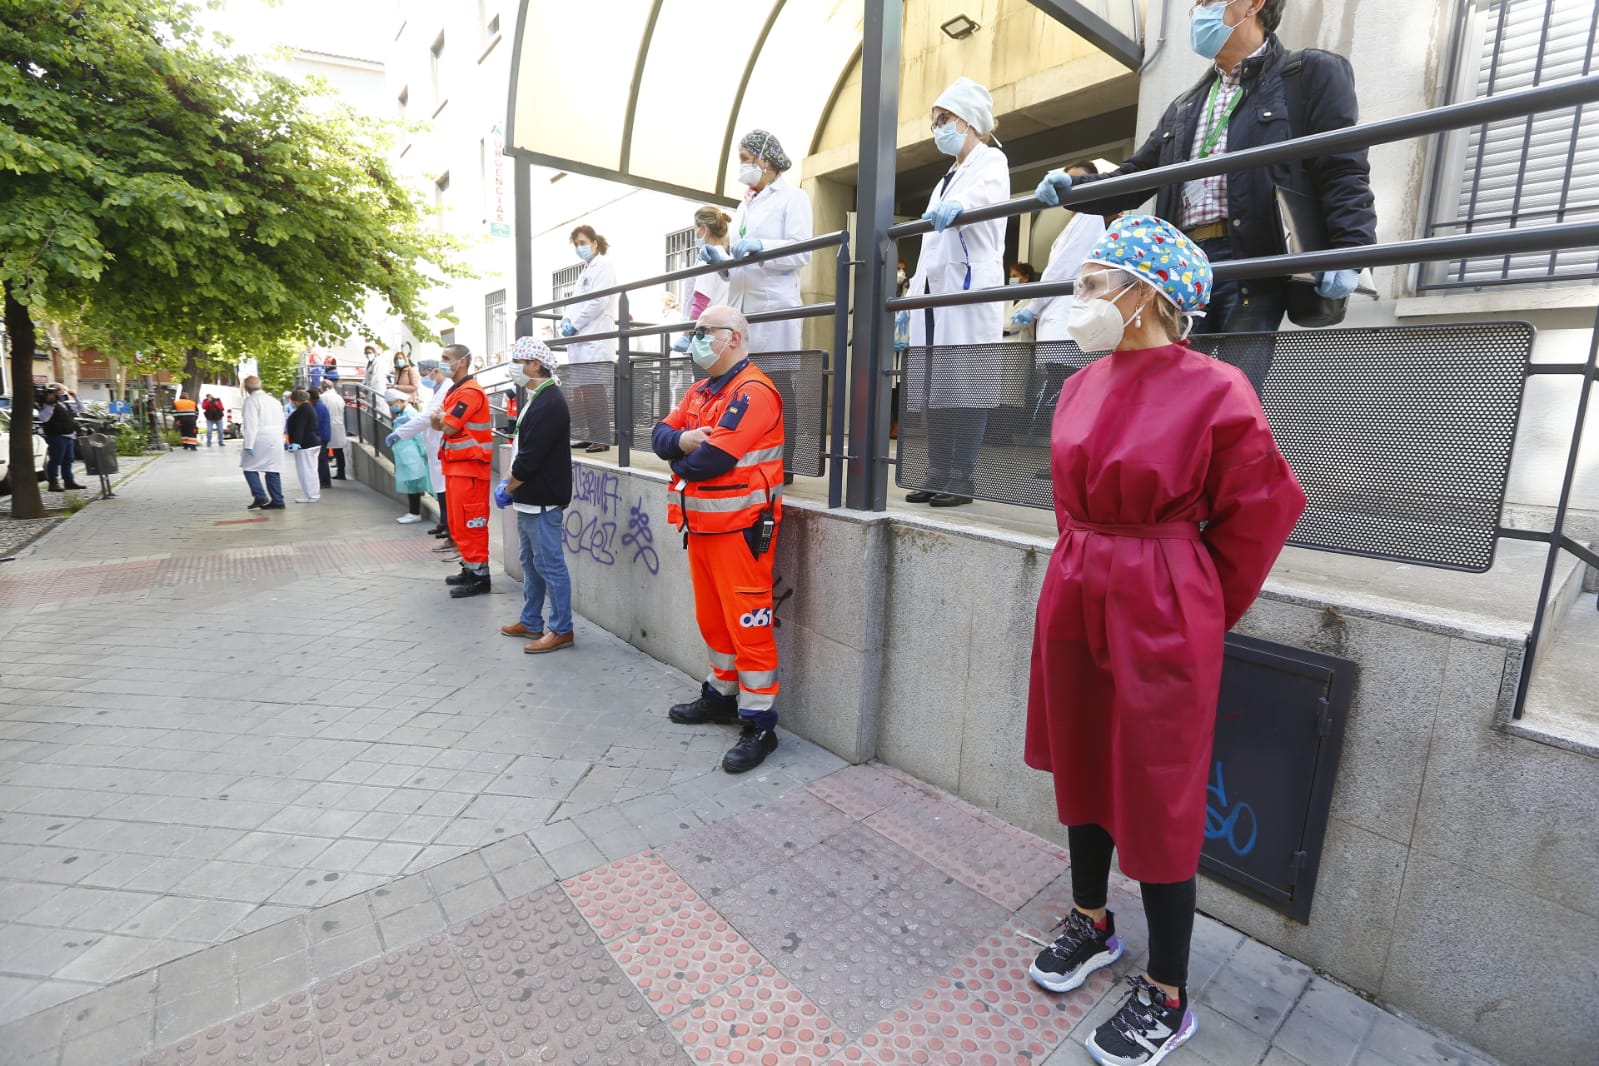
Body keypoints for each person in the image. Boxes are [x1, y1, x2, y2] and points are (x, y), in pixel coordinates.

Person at [1023, 216, 1306, 1066]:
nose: (1079, 298)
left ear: (1142, 295)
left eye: (1092, 282)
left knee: (1156, 783)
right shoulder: (1080, 384)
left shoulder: (1217, 389)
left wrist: (1198, 601)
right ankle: (1095, 920)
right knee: (1081, 755)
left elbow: (1262, 509)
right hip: (1077, 587)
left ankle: (1169, 992)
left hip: (1162, 599)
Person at [1035, 0, 1375, 342]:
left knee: (1234, 383)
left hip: (1252, 262)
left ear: (1253, 5)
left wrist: (1350, 250)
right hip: (1181, 266)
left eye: (1207, 2)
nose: (1197, 12)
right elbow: (1136, 176)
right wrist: (1075, 188)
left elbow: (1342, 168)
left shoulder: (1307, 73)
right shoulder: (1187, 105)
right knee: (1175, 385)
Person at [652, 306, 785, 774]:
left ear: (732, 337)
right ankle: (721, 696)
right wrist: (683, 443)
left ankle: (760, 724)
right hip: (704, 528)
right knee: (714, 623)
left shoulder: (753, 391)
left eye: (703, 332)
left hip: (742, 532)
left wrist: (682, 452)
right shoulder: (701, 390)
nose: (696, 339)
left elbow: (711, 461)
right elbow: (659, 435)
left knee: (749, 626)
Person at [897, 78, 1010, 509]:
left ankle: (962, 477)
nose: (938, 129)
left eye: (942, 120)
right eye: (935, 123)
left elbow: (987, 197)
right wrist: (913, 298)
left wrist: (961, 207)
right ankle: (938, 470)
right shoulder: (947, 176)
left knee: (966, 388)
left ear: (966, 120)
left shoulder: (990, 161)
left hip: (968, 291)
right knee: (937, 390)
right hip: (936, 296)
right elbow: (932, 243)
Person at [724, 129, 813, 482]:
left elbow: (801, 250)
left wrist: (760, 247)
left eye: (747, 159)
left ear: (766, 159)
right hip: (744, 307)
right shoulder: (744, 204)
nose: (743, 166)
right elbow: (740, 256)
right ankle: (751, 455)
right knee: (745, 387)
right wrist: (724, 262)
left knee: (776, 387)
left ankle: (784, 463)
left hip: (775, 306)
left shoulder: (793, 198)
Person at [1014, 162, 1108, 439]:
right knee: (1064, 392)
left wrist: (1032, 307)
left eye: (1076, 181)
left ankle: (1064, 461)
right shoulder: (1078, 219)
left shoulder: (1090, 217)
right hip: (1060, 318)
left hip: (1068, 320)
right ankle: (1062, 461)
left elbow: (1062, 269)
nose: (1069, 188)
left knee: (1064, 393)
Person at [495, 338, 576, 655]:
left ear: (534, 364)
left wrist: (509, 485)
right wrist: (511, 485)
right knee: (531, 563)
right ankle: (531, 620)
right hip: (530, 498)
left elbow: (531, 457)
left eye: (518, 359)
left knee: (550, 565)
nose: (513, 365)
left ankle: (561, 628)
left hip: (542, 500)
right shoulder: (537, 397)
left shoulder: (549, 401)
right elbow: (523, 450)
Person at [431, 343, 494, 598]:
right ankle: (470, 568)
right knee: (458, 524)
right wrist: (440, 421)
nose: (442, 363)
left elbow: (447, 425)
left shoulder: (470, 392)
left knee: (472, 523)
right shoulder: (456, 391)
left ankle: (480, 577)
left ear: (463, 362)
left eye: (447, 358)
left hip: (471, 469)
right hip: (458, 467)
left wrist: (440, 420)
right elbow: (440, 424)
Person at [557, 224, 617, 453]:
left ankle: (601, 437)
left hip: (594, 337)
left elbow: (598, 302)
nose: (580, 247)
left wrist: (576, 324)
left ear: (594, 242)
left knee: (594, 389)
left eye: (583, 243)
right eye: (577, 244)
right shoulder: (586, 269)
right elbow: (575, 302)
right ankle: (591, 434)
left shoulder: (604, 265)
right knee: (583, 390)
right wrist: (565, 320)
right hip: (582, 339)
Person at [396, 356, 451, 545]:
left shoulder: (446, 388)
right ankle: (445, 524)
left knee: (444, 491)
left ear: (435, 371)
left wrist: (401, 432)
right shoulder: (438, 389)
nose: (424, 378)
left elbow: (429, 417)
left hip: (443, 447)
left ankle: (449, 529)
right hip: (436, 447)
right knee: (440, 490)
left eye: (425, 374)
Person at [673, 206, 734, 354]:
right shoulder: (728, 258)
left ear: (704, 229)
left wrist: (686, 335)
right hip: (724, 332)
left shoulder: (707, 258)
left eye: (695, 229)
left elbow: (701, 300)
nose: (695, 234)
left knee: (703, 377)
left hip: (706, 335)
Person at [382, 389, 430, 524]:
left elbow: (419, 435)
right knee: (411, 484)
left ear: (399, 401)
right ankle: (413, 512)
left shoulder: (410, 413)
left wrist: (423, 452)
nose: (391, 406)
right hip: (406, 455)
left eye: (391, 403)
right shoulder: (404, 413)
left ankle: (414, 513)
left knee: (414, 484)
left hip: (412, 455)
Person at [239, 376, 286, 510]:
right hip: (276, 437)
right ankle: (277, 499)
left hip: (259, 437)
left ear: (247, 388)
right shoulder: (274, 401)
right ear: (261, 385)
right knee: (273, 468)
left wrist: (248, 444)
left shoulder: (251, 401)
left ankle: (259, 495)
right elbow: (282, 421)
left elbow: (250, 424)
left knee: (249, 467)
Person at [37, 385, 85, 491]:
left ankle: (69, 482)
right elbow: (44, 418)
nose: (63, 395)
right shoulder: (48, 405)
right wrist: (51, 404)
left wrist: (75, 397)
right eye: (61, 393)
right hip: (57, 436)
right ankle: (53, 483)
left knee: (68, 460)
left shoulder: (65, 405)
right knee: (56, 460)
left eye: (64, 393)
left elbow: (82, 409)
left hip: (69, 435)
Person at [284, 389, 322, 503]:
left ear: (295, 400)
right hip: (312, 443)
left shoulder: (303, 410)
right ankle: (312, 493)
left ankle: (311, 494)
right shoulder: (308, 407)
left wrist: (296, 442)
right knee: (311, 470)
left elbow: (300, 427)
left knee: (305, 471)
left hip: (306, 445)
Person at [321, 367, 348, 480]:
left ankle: (325, 476)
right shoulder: (339, 397)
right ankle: (341, 473)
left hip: (328, 425)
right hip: (339, 424)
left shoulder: (323, 397)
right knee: (339, 451)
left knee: (324, 452)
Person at [1002, 263, 1039, 343]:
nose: (1011, 279)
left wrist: (1000, 327)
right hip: (1003, 343)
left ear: (1026, 278)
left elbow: (1015, 324)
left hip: (1021, 344)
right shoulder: (1007, 298)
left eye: (1014, 276)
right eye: (1011, 276)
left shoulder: (1032, 300)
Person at [308, 387, 333, 488]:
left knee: (321, 460)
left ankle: (325, 481)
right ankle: (324, 480)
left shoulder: (318, 407)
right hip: (323, 435)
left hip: (321, 436)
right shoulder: (320, 406)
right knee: (321, 459)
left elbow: (316, 423)